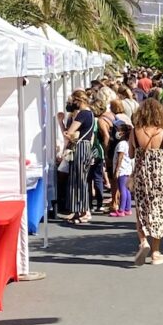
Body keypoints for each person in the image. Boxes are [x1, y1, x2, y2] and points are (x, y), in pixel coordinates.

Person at [130, 98, 163, 265]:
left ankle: (143, 241)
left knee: (141, 210)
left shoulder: (135, 131)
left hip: (142, 174)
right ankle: (156, 253)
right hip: (159, 177)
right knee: (158, 211)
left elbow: (130, 153)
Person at [58, 90, 95, 225]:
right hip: (86, 148)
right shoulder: (90, 113)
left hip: (80, 148)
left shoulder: (83, 114)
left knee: (79, 180)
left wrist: (60, 122)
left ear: (79, 101)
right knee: (81, 180)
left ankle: (83, 211)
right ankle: (80, 210)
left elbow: (69, 133)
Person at [110, 124, 133, 217]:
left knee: (122, 189)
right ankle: (128, 208)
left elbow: (120, 157)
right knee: (126, 190)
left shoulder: (121, 144)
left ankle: (121, 209)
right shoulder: (127, 143)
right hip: (127, 169)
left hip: (122, 170)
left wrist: (116, 170)